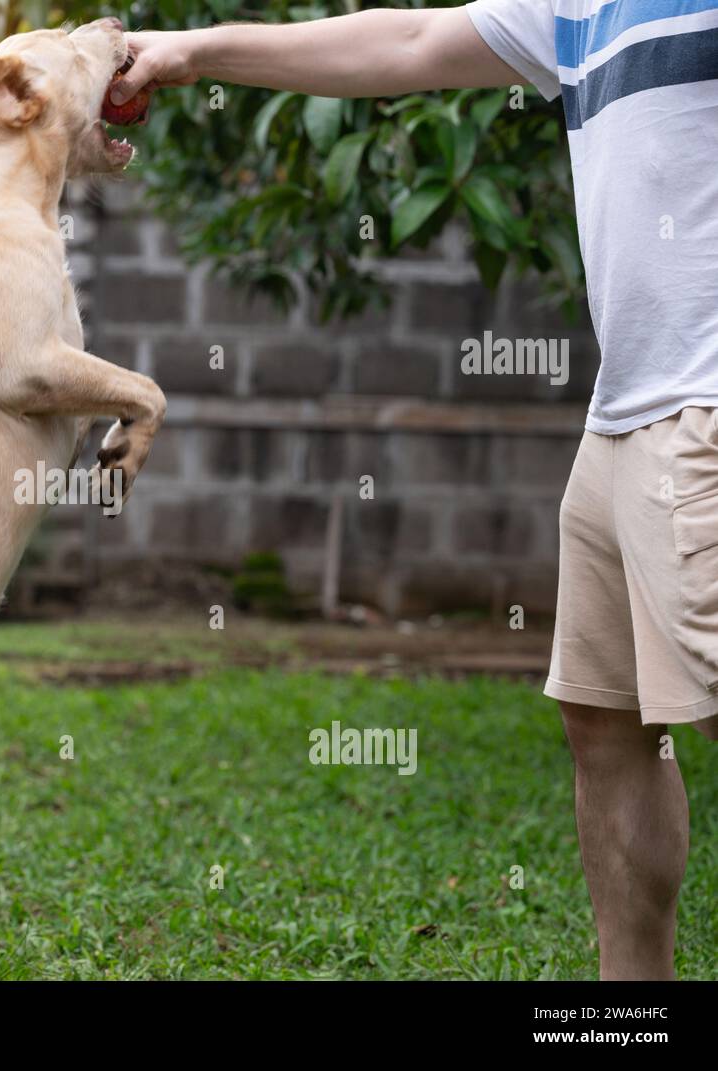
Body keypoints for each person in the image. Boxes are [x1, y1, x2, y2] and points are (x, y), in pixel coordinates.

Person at [111, 5, 718, 981]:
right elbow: (402, 44)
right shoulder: (577, 9)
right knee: (606, 724)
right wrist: (195, 50)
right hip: (622, 421)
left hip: (704, 414)